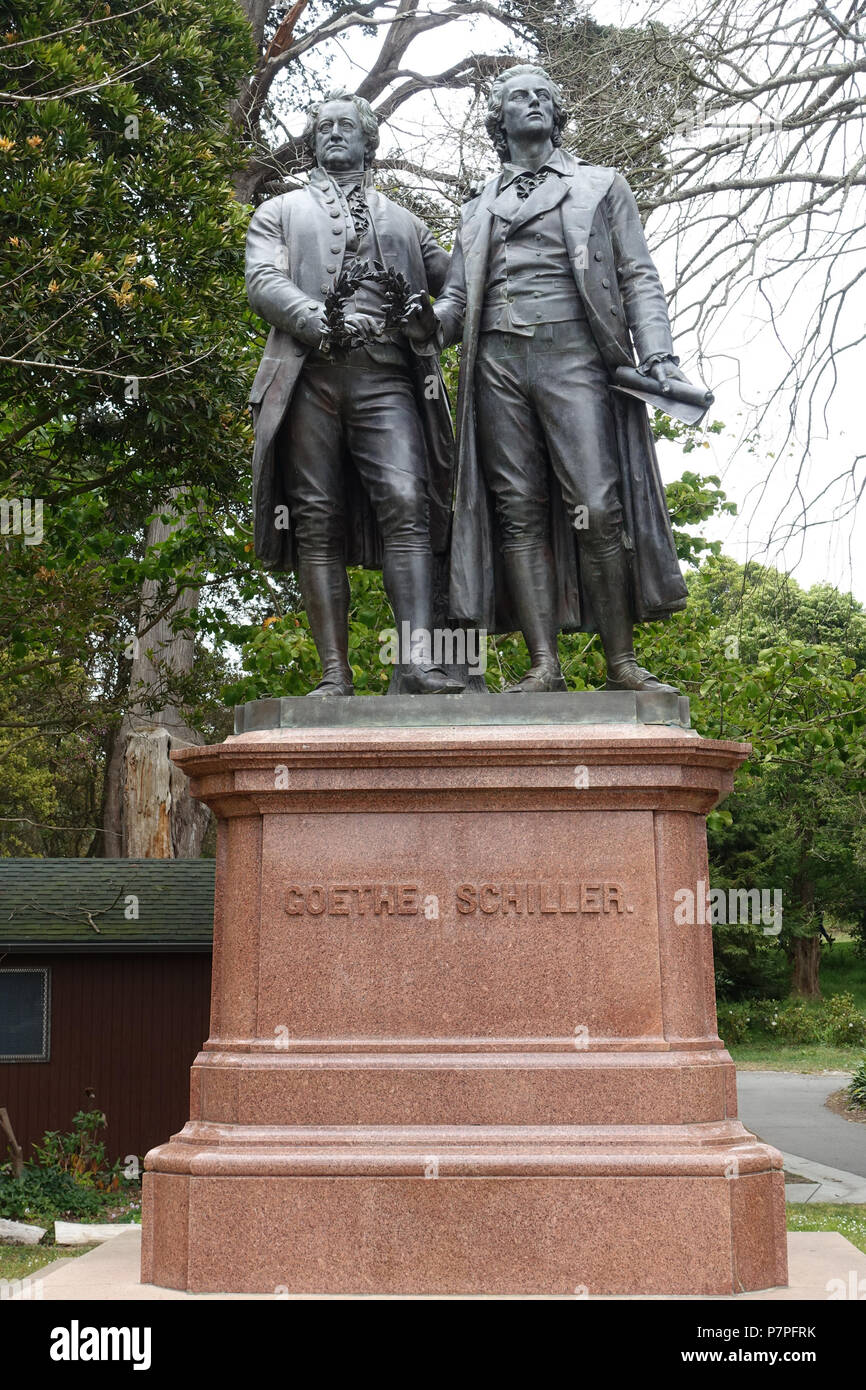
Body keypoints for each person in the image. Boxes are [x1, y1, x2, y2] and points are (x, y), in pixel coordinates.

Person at [432, 64, 689, 693]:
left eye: (545, 95)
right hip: (495, 361)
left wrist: (657, 355)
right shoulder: (477, 208)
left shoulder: (601, 185)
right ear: (500, 118)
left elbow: (637, 275)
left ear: (556, 112)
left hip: (574, 353)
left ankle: (620, 663)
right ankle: (543, 664)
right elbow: (456, 305)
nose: (534, 103)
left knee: (597, 507)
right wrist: (417, 321)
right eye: (519, 96)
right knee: (517, 510)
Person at [245, 89, 462, 696]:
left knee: (406, 502)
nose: (335, 133)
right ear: (314, 141)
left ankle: (415, 665)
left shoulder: (407, 221)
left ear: (370, 142)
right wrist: (321, 319)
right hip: (308, 378)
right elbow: (262, 282)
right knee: (316, 520)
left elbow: (456, 296)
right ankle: (334, 675)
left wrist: (431, 322)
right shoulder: (280, 210)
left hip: (388, 378)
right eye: (325, 126)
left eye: (348, 126)